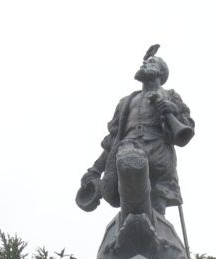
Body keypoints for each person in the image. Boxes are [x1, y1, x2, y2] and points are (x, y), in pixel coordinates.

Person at [76, 51, 194, 216]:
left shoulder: (170, 96)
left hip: (160, 156)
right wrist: (95, 170)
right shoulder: (126, 102)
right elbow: (112, 140)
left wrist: (173, 111)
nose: (144, 64)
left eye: (151, 62)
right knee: (129, 174)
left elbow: (186, 128)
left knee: (157, 210)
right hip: (129, 147)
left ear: (160, 71)